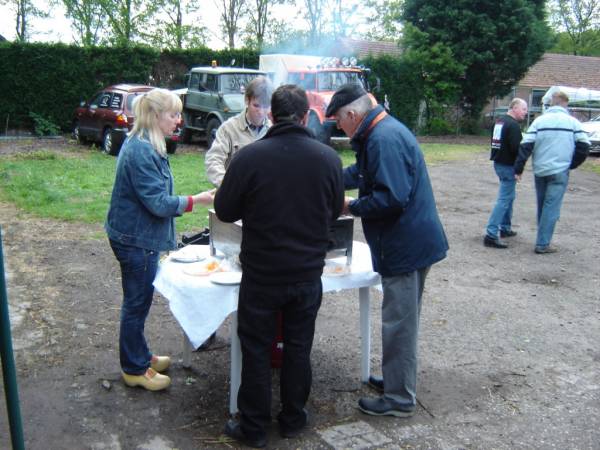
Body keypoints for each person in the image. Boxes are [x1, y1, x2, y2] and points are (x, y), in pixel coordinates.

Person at [215, 84, 344, 448]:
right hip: (306, 273)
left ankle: (253, 428)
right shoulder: (328, 159)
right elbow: (334, 211)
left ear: (271, 115)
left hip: (262, 274)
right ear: (306, 117)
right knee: (299, 346)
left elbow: (225, 211)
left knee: (256, 348)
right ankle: (292, 419)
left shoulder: (250, 158)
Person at [326, 83, 448, 417]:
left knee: (399, 324)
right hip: (406, 243)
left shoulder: (383, 139)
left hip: (406, 247)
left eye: (339, 119)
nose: (338, 126)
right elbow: (362, 173)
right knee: (401, 321)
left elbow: (392, 198)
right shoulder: (378, 133)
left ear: (353, 114)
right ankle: (397, 381)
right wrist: (325, 176)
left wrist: (349, 206)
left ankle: (399, 399)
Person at [105, 88, 214, 391]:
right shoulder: (141, 149)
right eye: (173, 114)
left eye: (179, 114)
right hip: (135, 239)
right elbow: (157, 202)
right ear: (155, 116)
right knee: (136, 303)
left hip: (138, 236)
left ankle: (139, 356)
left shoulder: (147, 143)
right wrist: (197, 200)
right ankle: (134, 368)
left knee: (139, 301)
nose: (178, 121)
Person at [514, 90, 590, 254]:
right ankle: (542, 243)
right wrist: (572, 164)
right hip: (560, 169)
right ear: (565, 103)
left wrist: (519, 168)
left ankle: (542, 238)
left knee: (542, 205)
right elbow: (584, 146)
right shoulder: (573, 122)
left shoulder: (539, 122)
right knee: (552, 206)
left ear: (551, 103)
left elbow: (526, 145)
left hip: (540, 169)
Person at [205, 76, 273, 187]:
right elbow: (213, 160)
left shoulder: (273, 131)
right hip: (235, 198)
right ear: (247, 100)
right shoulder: (229, 128)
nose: (261, 112)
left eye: (266, 107)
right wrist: (228, 186)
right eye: (256, 105)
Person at [483, 98, 529, 249]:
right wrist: (518, 169)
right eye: (523, 109)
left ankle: (505, 228)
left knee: (509, 196)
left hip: (499, 163)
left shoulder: (500, 121)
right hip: (508, 165)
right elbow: (518, 150)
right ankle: (491, 234)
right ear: (514, 108)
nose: (526, 112)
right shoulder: (513, 125)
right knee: (504, 199)